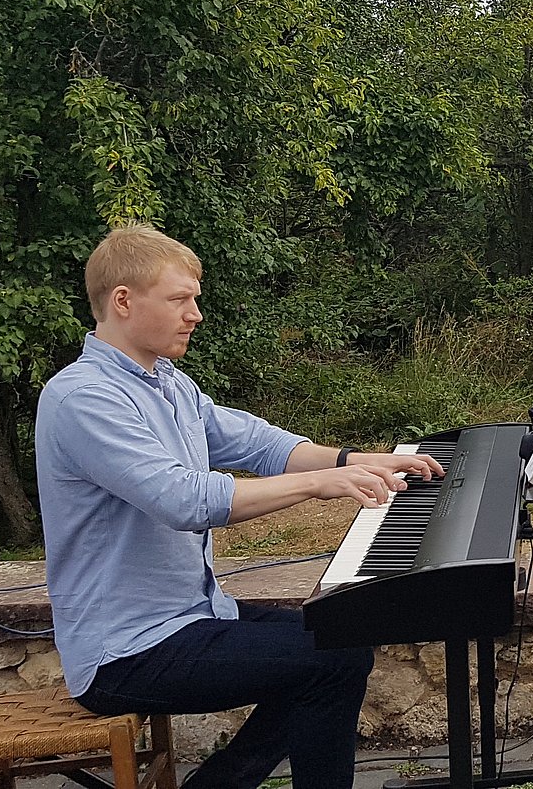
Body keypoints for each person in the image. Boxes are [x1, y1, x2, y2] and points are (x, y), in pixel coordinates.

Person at [38, 226, 439, 789]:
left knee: (341, 642)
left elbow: (256, 443)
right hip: (125, 652)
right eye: (180, 299)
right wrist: (319, 482)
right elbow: (183, 499)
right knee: (332, 661)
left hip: (191, 618)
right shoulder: (84, 398)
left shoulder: (167, 383)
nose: (195, 314)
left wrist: (357, 458)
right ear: (123, 301)